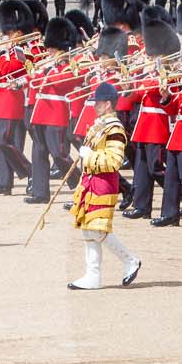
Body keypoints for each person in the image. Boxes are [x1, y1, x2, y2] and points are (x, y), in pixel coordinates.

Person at [67, 82, 142, 289]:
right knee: (88, 229)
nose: (94, 106)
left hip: (103, 182)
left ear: (108, 104)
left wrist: (89, 156)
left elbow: (113, 161)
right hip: (91, 181)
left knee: (98, 229)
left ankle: (129, 260)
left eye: (98, 103)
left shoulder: (115, 128)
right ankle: (93, 275)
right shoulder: (100, 125)